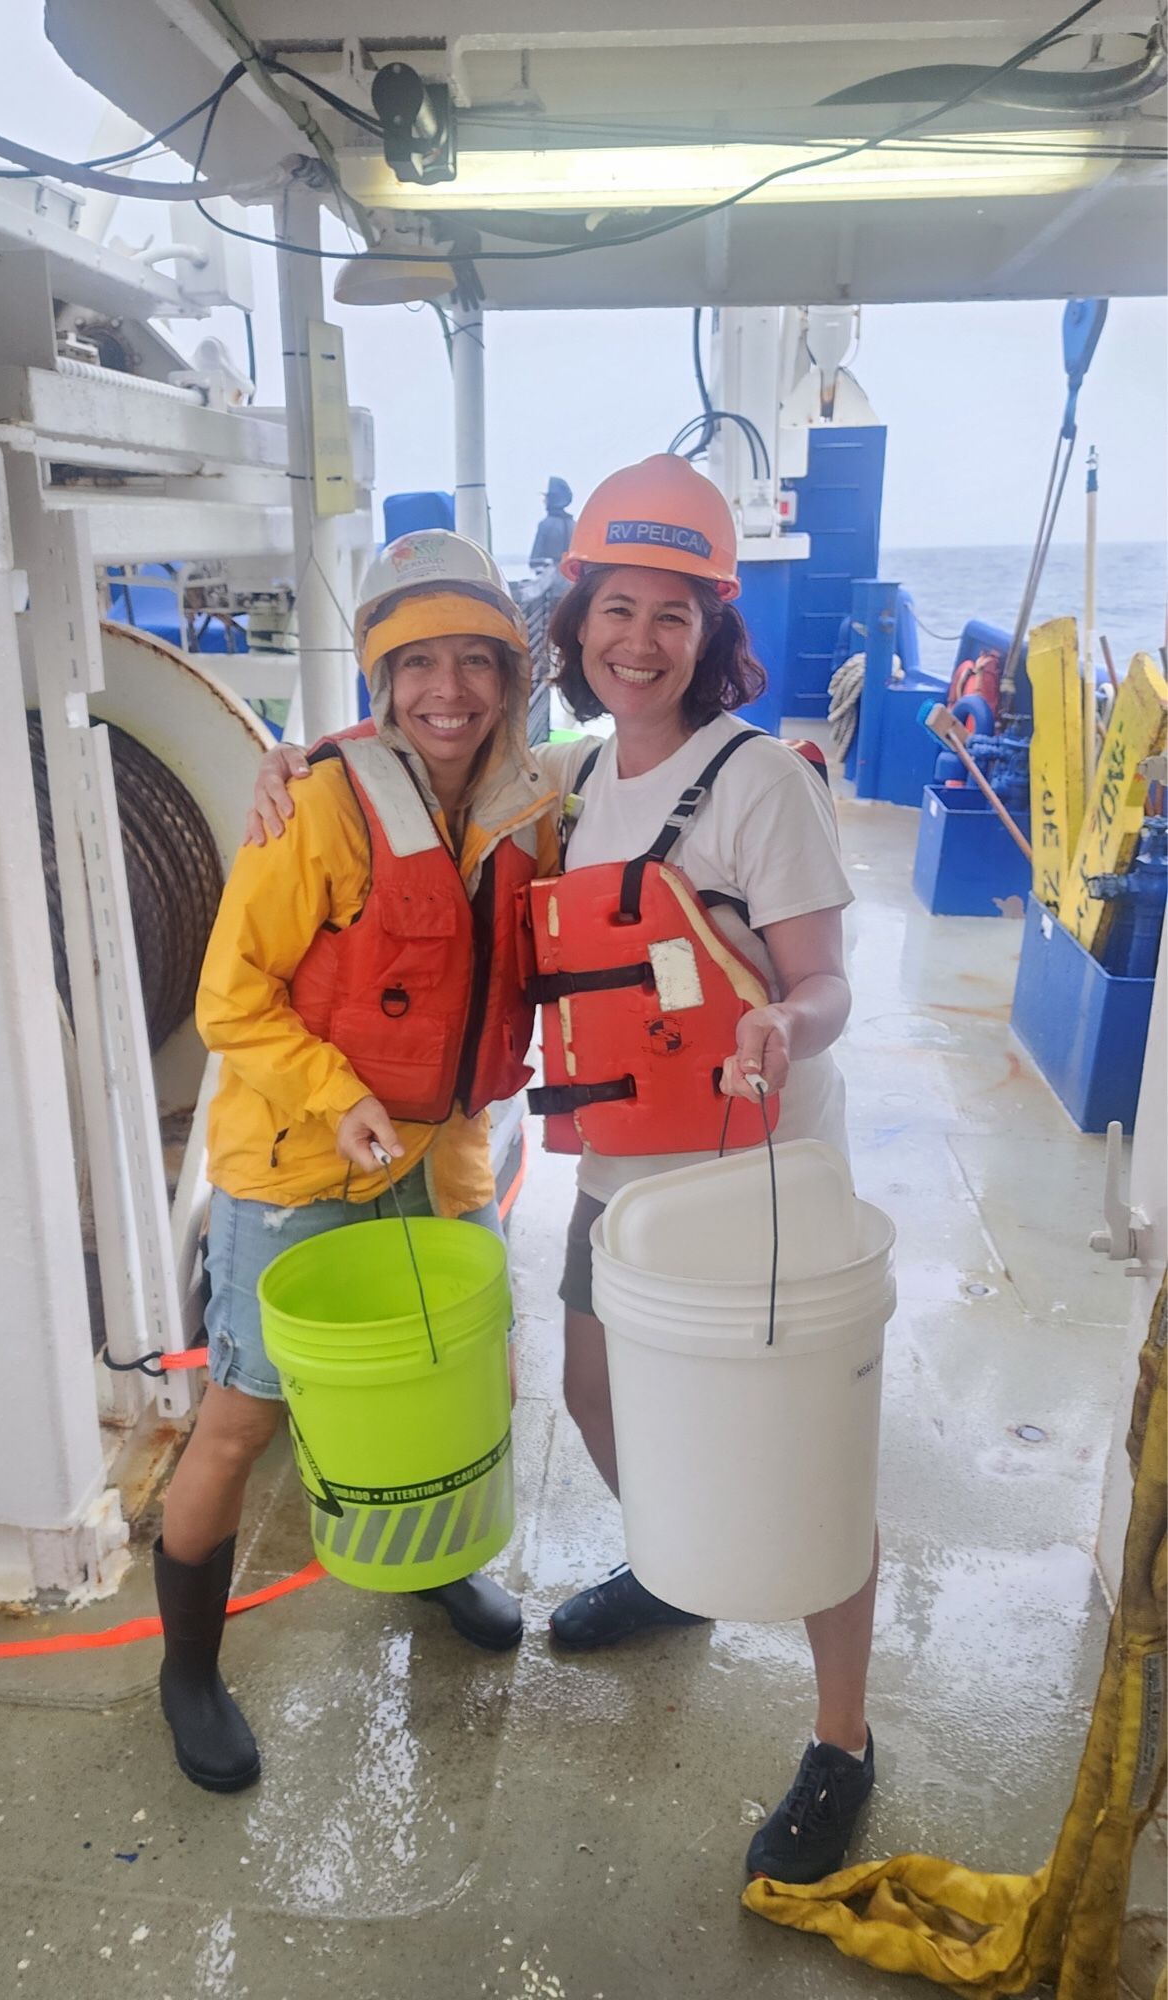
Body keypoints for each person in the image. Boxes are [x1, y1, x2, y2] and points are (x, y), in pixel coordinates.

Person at [250, 457, 876, 1887]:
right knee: (599, 1394)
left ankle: (840, 1737)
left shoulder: (761, 783)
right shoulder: (569, 778)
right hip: (621, 1182)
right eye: (614, 609)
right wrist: (292, 758)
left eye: (670, 614)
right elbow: (419, 756)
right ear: (574, 620)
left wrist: (786, 1020)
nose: (637, 640)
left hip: (757, 1179)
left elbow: (828, 985)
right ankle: (672, 1571)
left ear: (711, 632)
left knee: (807, 1460)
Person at [159, 530, 560, 1796]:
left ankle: (434, 1559)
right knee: (244, 1416)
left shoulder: (526, 805)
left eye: (475, 664)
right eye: (417, 664)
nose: (449, 691)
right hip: (295, 1160)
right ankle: (186, 1667)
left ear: (510, 676)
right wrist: (337, 1102)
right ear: (381, 681)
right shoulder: (316, 804)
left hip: (438, 1146)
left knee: (455, 1365)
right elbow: (231, 999)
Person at [529, 476, 574, 571]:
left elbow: (534, 561)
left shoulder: (545, 525)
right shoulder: (575, 525)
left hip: (549, 581)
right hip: (572, 580)